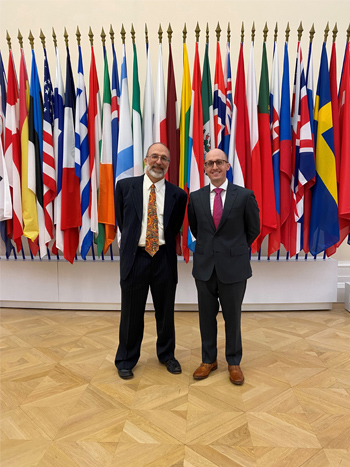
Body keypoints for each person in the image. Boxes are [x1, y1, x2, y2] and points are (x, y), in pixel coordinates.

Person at [114, 142, 187, 379]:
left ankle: (167, 355)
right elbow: (123, 222)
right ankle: (126, 358)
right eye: (154, 156)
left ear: (168, 164)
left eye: (164, 158)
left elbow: (174, 227)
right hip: (136, 257)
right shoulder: (125, 187)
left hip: (164, 257)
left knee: (165, 312)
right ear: (146, 160)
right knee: (131, 312)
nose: (159, 162)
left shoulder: (179, 194)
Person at [188, 148, 260, 385]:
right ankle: (209, 360)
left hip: (234, 267)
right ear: (205, 168)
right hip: (205, 267)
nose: (214, 167)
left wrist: (233, 249)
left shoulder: (244, 195)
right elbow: (196, 229)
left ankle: (233, 362)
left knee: (233, 316)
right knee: (205, 317)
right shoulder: (196, 197)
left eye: (219, 162)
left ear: (228, 166)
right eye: (210, 163)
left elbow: (253, 230)